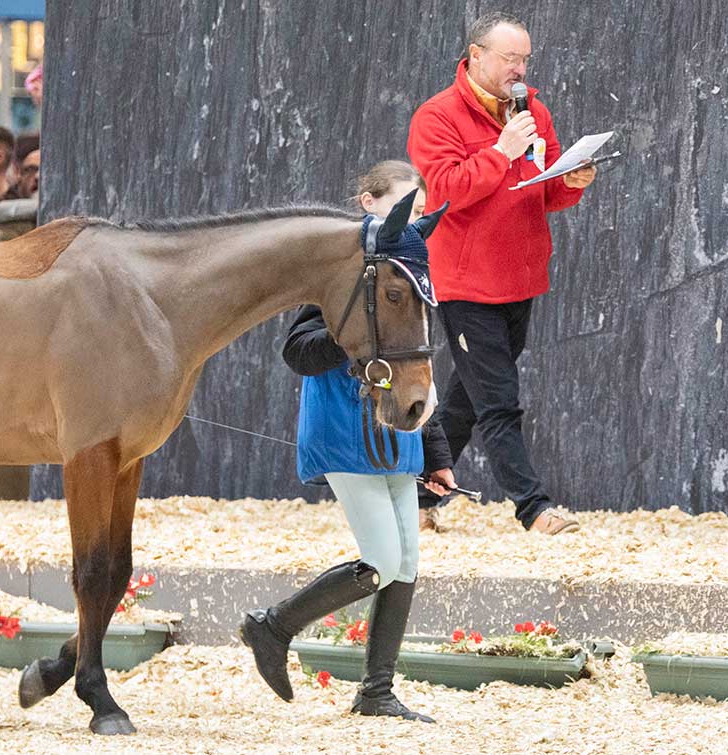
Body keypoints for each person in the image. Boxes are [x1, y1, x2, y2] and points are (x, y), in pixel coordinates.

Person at [240, 177, 453, 723]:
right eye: (402, 205)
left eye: (419, 208)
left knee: (405, 563)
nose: (409, 217)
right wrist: (352, 336)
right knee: (382, 558)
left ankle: (376, 691)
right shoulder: (343, 279)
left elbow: (416, 373)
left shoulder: (407, 279)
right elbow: (297, 353)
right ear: (368, 204)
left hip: (398, 440)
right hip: (345, 434)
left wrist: (438, 454)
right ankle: (275, 625)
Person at [407, 12, 598, 536]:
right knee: (498, 399)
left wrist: (576, 178)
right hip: (467, 284)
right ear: (475, 55)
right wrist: (500, 151)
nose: (520, 68)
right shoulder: (437, 117)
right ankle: (533, 507)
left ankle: (418, 497)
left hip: (521, 276)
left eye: (525, 59)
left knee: (468, 397)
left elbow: (549, 190)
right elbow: (443, 192)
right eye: (509, 58)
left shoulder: (533, 109)